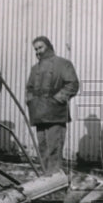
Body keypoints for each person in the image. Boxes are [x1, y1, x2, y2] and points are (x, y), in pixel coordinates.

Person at [26, 36, 79, 175]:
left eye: (40, 47)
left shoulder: (63, 64)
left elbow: (72, 84)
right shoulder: (34, 68)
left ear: (48, 47)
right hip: (38, 114)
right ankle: (45, 177)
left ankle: (54, 177)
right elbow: (29, 88)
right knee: (42, 147)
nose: (38, 51)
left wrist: (58, 99)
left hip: (55, 113)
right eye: (36, 49)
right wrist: (30, 101)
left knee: (54, 147)